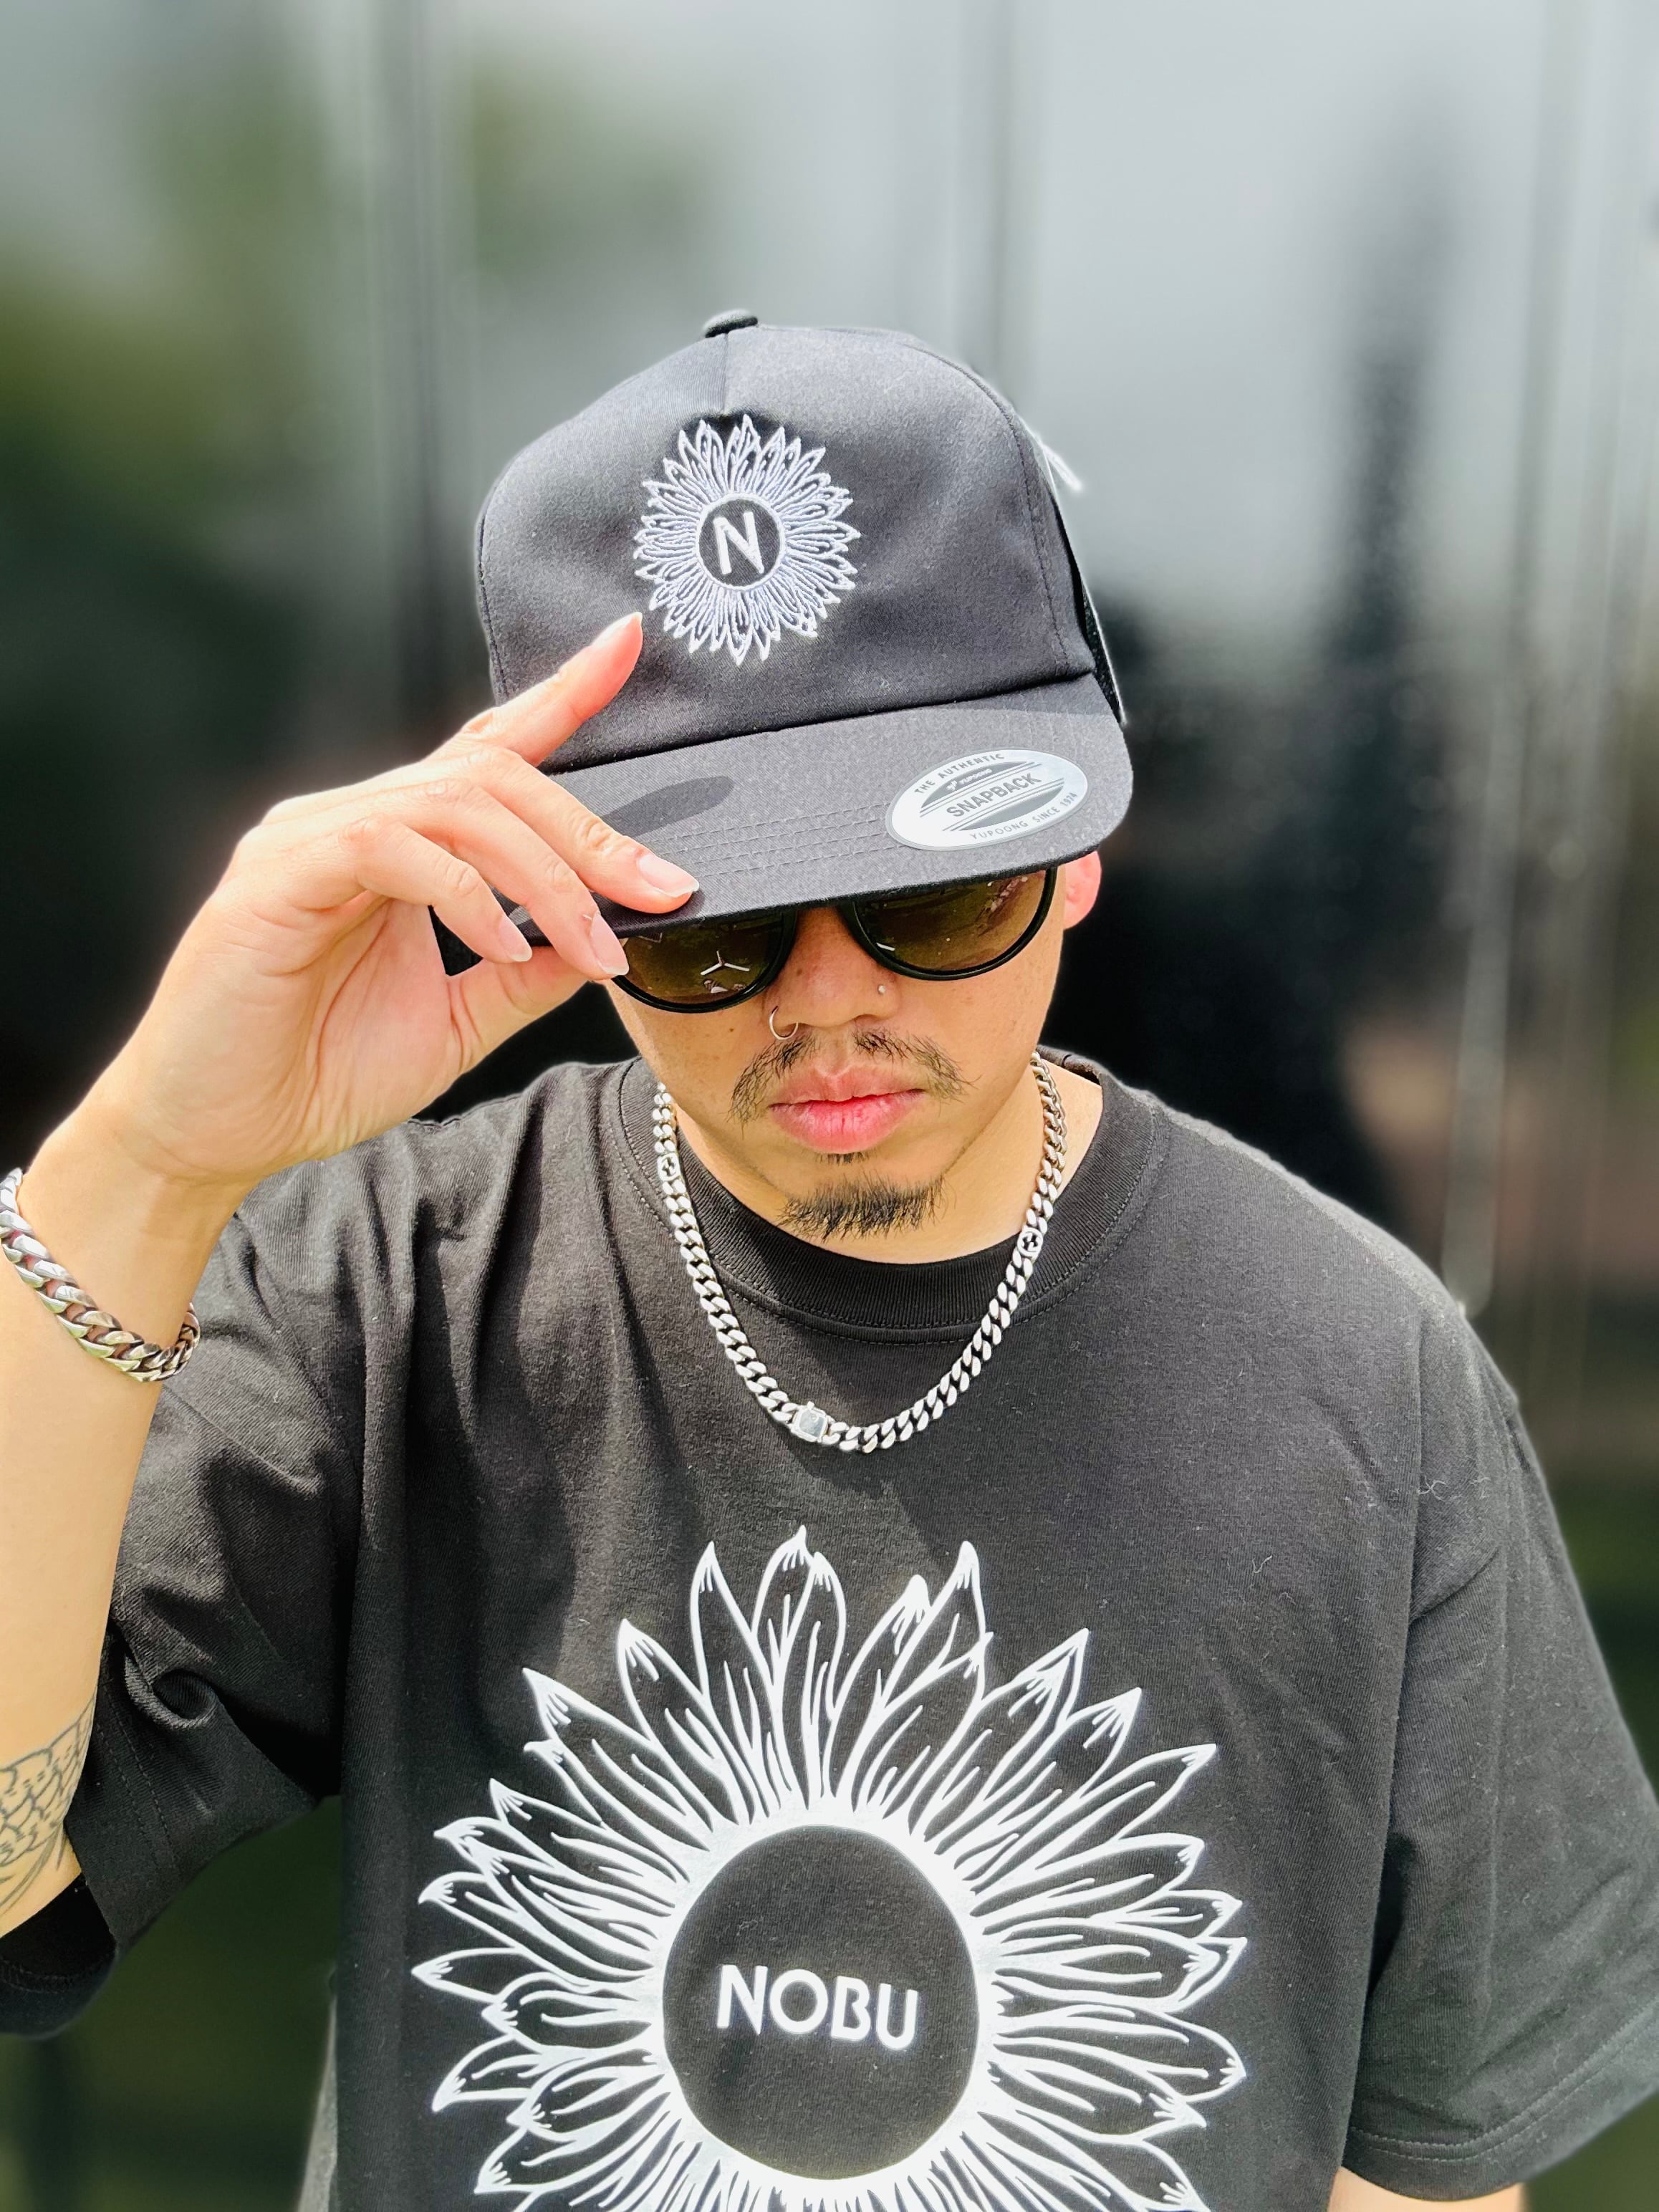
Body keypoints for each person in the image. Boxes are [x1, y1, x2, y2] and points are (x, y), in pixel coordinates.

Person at [1, 317, 1656, 2212]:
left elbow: (1430, 2162)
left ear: (1081, 847)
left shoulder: (1365, 1374)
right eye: (709, 924)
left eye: (931, 892)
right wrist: (145, 1165)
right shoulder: (398, 1290)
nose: (831, 1001)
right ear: (561, 904)